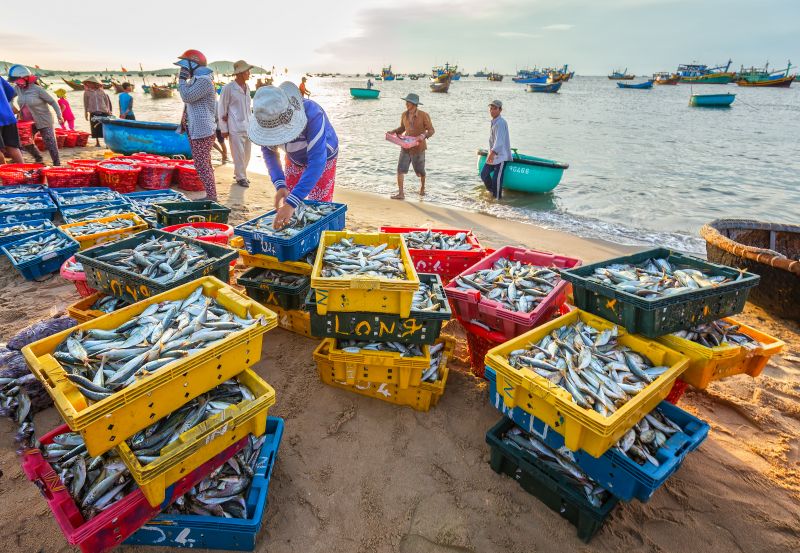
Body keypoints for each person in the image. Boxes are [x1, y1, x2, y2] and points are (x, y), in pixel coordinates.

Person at [248, 82, 338, 229]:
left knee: (319, 206)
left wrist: (291, 203)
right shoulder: (267, 118)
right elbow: (269, 152)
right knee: (290, 200)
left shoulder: (313, 113)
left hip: (324, 156)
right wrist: (279, 184)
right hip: (293, 156)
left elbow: (317, 162)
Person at [175, 49, 219, 200]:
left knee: (202, 165)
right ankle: (211, 194)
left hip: (203, 130)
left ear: (194, 65)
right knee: (203, 163)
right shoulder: (197, 80)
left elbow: (186, 96)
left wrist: (181, 80)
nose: (182, 70)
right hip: (196, 129)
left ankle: (212, 196)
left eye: (185, 67)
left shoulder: (204, 81)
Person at [10, 65, 63, 165]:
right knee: (25, 142)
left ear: (25, 78)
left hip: (43, 120)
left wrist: (59, 115)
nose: (16, 82)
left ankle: (57, 163)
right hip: (27, 122)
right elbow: (9, 97)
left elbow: (53, 102)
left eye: (18, 80)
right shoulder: (17, 89)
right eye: (15, 81)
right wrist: (12, 107)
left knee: (50, 143)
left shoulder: (37, 89)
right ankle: (38, 158)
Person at [387, 93, 434, 199]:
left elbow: (431, 130)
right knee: (400, 170)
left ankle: (422, 188)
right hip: (405, 146)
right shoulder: (404, 114)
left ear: (414, 104)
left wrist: (423, 135)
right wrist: (393, 132)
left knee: (420, 172)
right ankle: (401, 193)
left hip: (418, 147)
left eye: (408, 102)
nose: (406, 104)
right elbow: (402, 128)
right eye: (406, 102)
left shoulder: (424, 115)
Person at [218, 60, 253, 187]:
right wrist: (224, 128)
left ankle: (240, 173)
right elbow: (222, 108)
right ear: (240, 73)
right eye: (247, 71)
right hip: (234, 126)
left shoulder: (247, 87)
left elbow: (249, 108)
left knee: (247, 154)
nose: (249, 73)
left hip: (248, 126)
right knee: (238, 154)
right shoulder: (228, 88)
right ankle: (241, 177)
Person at [481, 99, 512, 200]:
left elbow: (499, 141)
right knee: (484, 174)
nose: (492, 111)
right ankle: (492, 193)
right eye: (491, 108)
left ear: (500, 110)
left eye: (495, 109)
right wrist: (491, 153)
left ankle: (498, 200)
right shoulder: (494, 122)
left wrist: (492, 153)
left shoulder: (501, 123)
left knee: (496, 180)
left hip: (501, 156)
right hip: (493, 155)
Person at [0, 74, 24, 164]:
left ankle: (4, 175)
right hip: (7, 115)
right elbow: (11, 93)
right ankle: (23, 173)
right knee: (12, 147)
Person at [82, 76, 112, 147]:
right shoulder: (86, 92)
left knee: (104, 128)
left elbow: (106, 101)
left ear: (94, 83)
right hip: (93, 112)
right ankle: (97, 142)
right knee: (94, 127)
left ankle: (106, 143)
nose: (88, 84)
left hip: (103, 111)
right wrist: (86, 112)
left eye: (89, 83)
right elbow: (85, 103)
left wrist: (108, 110)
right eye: (87, 83)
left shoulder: (101, 91)